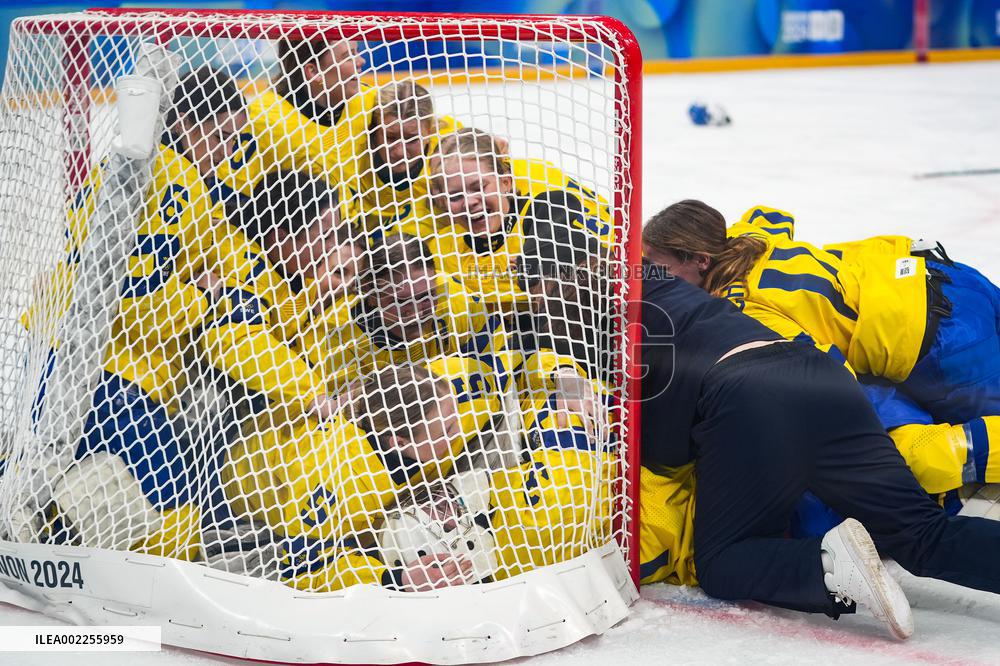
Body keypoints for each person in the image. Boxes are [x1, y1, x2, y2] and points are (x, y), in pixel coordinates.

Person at [26, 66, 250, 560]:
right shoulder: (176, 182)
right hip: (110, 374)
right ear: (189, 125)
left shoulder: (122, 167)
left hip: (56, 357)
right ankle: (55, 554)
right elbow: (130, 298)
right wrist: (203, 297)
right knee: (177, 506)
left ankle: (40, 532)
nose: (228, 152)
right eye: (223, 137)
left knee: (56, 477)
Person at [641, 200, 1000, 497]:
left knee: (922, 454)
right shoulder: (747, 236)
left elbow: (820, 365)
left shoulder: (742, 308)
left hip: (946, 339)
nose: (652, 277)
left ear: (701, 260)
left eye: (657, 266)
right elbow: (771, 214)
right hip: (945, 278)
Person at [221, 364, 472, 592]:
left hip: (279, 426)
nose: (458, 431)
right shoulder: (330, 486)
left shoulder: (435, 398)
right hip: (241, 481)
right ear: (399, 442)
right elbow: (304, 573)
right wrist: (397, 580)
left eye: (456, 418)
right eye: (447, 431)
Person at [422, 127, 614, 314]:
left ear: (506, 182)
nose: (469, 202)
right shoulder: (442, 250)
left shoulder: (547, 216)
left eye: (479, 186)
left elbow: (608, 269)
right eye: (455, 196)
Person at [212, 37, 375, 209]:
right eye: (348, 56)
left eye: (357, 52)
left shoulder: (369, 102)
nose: (361, 61)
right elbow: (225, 200)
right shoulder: (264, 119)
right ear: (313, 71)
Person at [343, 79, 461, 237]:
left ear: (430, 131)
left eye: (412, 139)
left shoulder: (453, 145)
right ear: (374, 130)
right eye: (390, 137)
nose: (399, 153)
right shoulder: (350, 153)